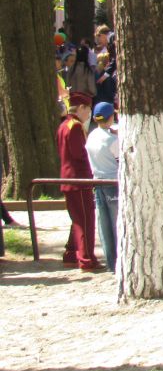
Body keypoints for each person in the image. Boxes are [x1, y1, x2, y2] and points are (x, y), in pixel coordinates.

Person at [57, 93, 102, 271]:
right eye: (88, 109)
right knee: (85, 220)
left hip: (68, 178)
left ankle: (71, 253)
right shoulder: (74, 126)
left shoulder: (63, 125)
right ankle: (86, 258)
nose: (89, 114)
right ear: (81, 108)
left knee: (77, 218)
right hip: (79, 179)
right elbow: (79, 155)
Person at [85, 102, 120, 271]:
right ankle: (120, 259)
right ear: (111, 117)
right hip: (113, 182)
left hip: (97, 181)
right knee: (117, 223)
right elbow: (121, 161)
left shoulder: (92, 136)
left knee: (104, 224)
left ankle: (110, 262)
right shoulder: (113, 140)